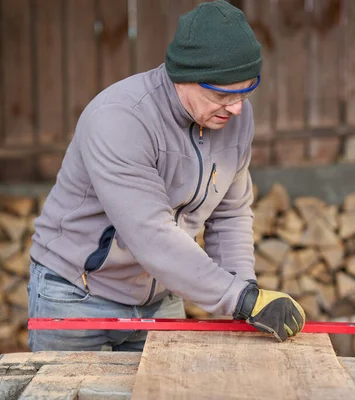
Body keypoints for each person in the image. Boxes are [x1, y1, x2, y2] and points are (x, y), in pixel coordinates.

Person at [27, 0, 305, 352]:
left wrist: (245, 291)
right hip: (77, 296)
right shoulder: (120, 119)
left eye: (246, 90)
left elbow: (230, 212)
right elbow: (151, 234)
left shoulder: (235, 117)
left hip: (160, 297)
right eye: (222, 94)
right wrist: (241, 300)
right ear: (183, 77)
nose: (237, 108)